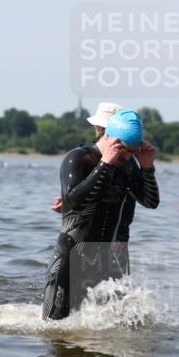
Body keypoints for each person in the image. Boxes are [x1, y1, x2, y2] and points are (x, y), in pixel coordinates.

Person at [42, 110, 159, 320]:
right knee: (55, 327)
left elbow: (151, 202)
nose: (125, 156)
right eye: (122, 149)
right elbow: (73, 202)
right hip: (72, 254)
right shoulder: (78, 158)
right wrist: (105, 164)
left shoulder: (129, 166)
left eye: (132, 151)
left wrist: (147, 168)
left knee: (117, 331)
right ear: (107, 136)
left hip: (109, 258)